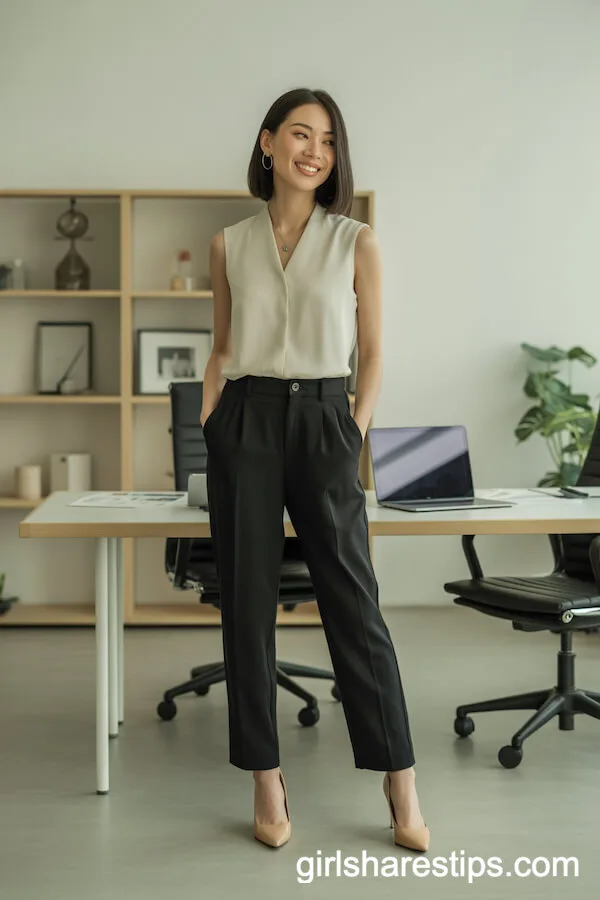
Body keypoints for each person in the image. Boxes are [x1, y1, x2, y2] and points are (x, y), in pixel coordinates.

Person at [200, 87, 429, 852]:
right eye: (301, 134)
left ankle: (400, 775)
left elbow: (374, 354)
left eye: (327, 140)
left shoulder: (355, 240)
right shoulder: (228, 242)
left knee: (354, 606)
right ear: (268, 143)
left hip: (327, 416)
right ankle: (265, 778)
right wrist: (213, 421)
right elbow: (223, 348)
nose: (315, 151)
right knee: (247, 607)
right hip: (247, 419)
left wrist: (351, 431)